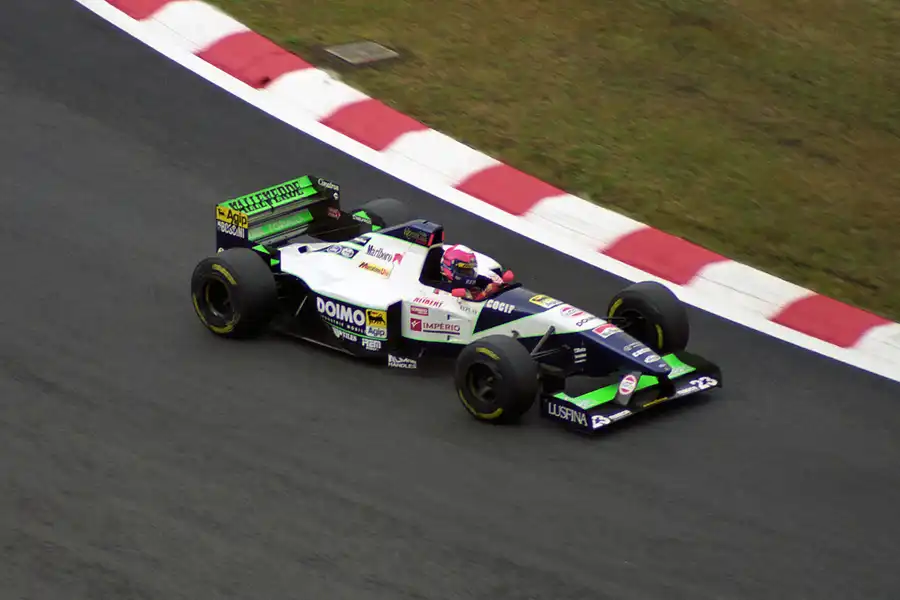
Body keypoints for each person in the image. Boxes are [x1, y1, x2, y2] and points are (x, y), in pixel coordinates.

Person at [440, 244, 508, 301]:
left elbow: (481, 280)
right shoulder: (442, 287)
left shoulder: (468, 279)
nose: (469, 273)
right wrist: (484, 294)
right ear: (449, 268)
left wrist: (498, 285)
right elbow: (468, 306)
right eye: (464, 270)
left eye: (470, 269)